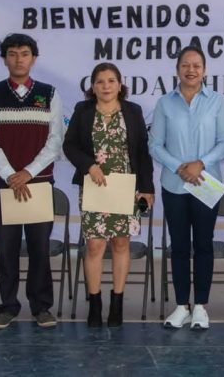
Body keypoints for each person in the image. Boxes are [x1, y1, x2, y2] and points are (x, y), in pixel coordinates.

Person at [0, 33, 64, 329]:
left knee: (40, 245)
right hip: (1, 183)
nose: (18, 59)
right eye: (12, 54)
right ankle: (8, 306)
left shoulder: (49, 93)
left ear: (34, 58)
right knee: (6, 246)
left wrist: (27, 172)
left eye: (24, 53)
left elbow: (55, 141)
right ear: (4, 58)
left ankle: (41, 307)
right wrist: (10, 175)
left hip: (38, 182)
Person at [63, 62, 154, 328]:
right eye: (100, 81)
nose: (106, 86)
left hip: (126, 186)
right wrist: (89, 165)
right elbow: (69, 146)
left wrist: (147, 188)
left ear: (120, 84)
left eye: (111, 81)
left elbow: (141, 152)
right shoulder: (82, 111)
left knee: (121, 243)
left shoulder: (133, 111)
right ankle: (95, 302)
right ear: (92, 86)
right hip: (94, 185)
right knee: (94, 245)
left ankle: (117, 301)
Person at [149, 46, 224, 330]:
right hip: (174, 185)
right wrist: (179, 167)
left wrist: (200, 164)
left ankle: (201, 307)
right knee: (180, 247)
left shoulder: (216, 101)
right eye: (186, 65)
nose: (191, 70)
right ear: (177, 70)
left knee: (204, 245)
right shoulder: (164, 103)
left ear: (204, 70)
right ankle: (181, 305)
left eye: (197, 65)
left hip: (205, 184)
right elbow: (155, 145)